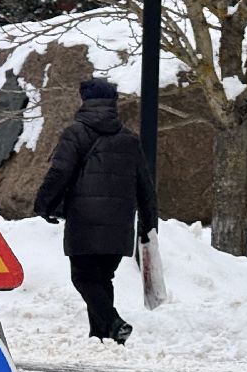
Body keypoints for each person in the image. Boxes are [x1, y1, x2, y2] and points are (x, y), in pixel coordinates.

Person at [34, 77, 158, 344]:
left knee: (83, 276)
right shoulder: (130, 139)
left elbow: (60, 172)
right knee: (102, 278)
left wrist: (43, 204)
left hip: (85, 220)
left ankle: (113, 323)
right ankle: (101, 336)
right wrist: (149, 223)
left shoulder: (75, 133)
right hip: (120, 224)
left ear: (85, 101)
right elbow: (145, 185)